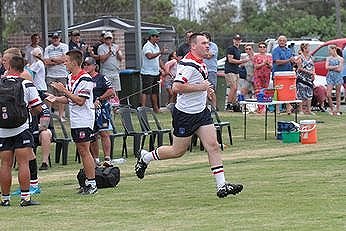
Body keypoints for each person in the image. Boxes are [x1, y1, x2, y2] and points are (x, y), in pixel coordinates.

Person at [135, 33, 243, 198]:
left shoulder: (201, 62)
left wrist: (207, 90)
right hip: (185, 115)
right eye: (204, 43)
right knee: (177, 151)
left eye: (208, 43)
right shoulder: (189, 64)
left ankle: (222, 186)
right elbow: (177, 87)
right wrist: (201, 87)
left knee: (213, 146)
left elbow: (200, 84)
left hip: (201, 113)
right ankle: (146, 158)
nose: (208, 46)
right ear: (194, 46)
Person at [47, 50, 97, 194]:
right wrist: (55, 98)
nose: (65, 63)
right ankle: (87, 182)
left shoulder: (85, 79)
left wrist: (64, 91)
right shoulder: (70, 78)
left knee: (84, 150)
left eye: (66, 61)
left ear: (74, 62)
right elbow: (70, 99)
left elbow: (80, 101)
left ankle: (92, 183)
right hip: (75, 119)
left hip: (84, 119)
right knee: (82, 151)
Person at [0, 55, 42, 207]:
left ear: (9, 67)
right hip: (21, 127)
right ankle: (25, 198)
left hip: (2, 130)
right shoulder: (26, 84)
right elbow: (38, 107)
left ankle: (5, 199)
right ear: (22, 68)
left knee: (5, 164)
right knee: (23, 163)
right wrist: (29, 112)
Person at [83, 57, 115, 165]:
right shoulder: (83, 79)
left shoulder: (102, 78)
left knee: (104, 132)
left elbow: (111, 91)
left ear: (94, 66)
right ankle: (95, 159)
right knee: (93, 135)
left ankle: (107, 158)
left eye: (88, 64)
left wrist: (100, 98)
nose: (86, 66)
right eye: (84, 64)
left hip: (102, 110)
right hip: (89, 110)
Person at [140, 29, 168, 113]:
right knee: (146, 91)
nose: (158, 38)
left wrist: (164, 69)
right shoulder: (147, 46)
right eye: (156, 36)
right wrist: (160, 52)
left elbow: (158, 60)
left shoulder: (156, 46)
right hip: (147, 73)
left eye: (158, 36)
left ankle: (156, 109)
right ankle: (142, 109)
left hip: (156, 72)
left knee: (154, 92)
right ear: (151, 37)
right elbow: (149, 56)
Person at [44, 32, 69, 121]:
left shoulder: (64, 46)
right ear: (51, 39)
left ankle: (61, 116)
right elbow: (46, 62)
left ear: (59, 38)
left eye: (57, 38)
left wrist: (53, 60)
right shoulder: (48, 48)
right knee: (49, 95)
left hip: (62, 74)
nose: (55, 39)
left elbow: (64, 59)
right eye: (54, 38)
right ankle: (48, 115)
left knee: (62, 95)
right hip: (51, 75)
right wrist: (58, 60)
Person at [224, 34, 249, 111]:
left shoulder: (238, 50)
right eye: (236, 39)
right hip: (230, 70)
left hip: (236, 70)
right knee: (233, 87)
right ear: (233, 40)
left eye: (238, 40)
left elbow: (237, 62)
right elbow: (230, 60)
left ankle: (234, 105)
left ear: (240, 41)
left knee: (235, 89)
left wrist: (242, 63)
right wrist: (241, 61)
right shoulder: (231, 48)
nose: (237, 41)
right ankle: (228, 104)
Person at [272, 35, 296, 114]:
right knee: (278, 92)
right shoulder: (276, 50)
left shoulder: (289, 50)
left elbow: (292, 60)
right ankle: (277, 110)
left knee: (287, 91)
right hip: (278, 74)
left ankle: (288, 109)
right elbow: (277, 61)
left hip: (288, 74)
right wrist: (288, 60)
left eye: (283, 40)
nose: (282, 42)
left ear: (286, 42)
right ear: (278, 42)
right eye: (280, 40)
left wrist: (293, 61)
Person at [295, 43, 315, 115]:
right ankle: (301, 110)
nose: (308, 49)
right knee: (301, 93)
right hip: (301, 78)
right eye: (306, 48)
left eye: (308, 48)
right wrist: (309, 72)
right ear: (303, 49)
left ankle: (309, 110)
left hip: (309, 79)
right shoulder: (300, 58)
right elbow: (299, 68)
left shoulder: (311, 57)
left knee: (309, 94)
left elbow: (313, 66)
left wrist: (313, 73)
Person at [253, 42, 272, 113]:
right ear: (258, 48)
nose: (262, 48)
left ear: (266, 48)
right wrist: (263, 63)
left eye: (264, 47)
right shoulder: (256, 56)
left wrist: (267, 64)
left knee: (265, 91)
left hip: (266, 76)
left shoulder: (269, 56)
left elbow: (271, 66)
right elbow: (255, 66)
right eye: (260, 47)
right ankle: (260, 107)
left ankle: (264, 106)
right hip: (258, 76)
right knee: (258, 91)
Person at [325, 45, 343, 116]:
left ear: (334, 49)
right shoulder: (328, 58)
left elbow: (339, 69)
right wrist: (335, 66)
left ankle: (337, 110)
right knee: (328, 94)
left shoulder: (340, 59)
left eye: (330, 50)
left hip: (338, 77)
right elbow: (326, 67)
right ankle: (332, 109)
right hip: (330, 77)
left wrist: (331, 68)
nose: (329, 52)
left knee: (338, 94)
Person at [202, 31, 218, 107]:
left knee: (211, 89)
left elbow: (209, 56)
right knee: (204, 89)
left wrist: (202, 54)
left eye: (204, 37)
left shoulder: (213, 46)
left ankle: (214, 108)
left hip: (211, 70)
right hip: (203, 70)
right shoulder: (201, 46)